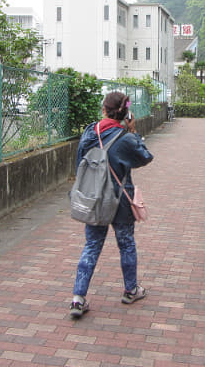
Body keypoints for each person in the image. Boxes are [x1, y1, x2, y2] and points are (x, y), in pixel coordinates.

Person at [70, 91, 154, 318]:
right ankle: (131, 289)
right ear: (126, 113)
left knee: (92, 245)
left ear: (104, 109)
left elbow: (80, 161)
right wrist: (133, 130)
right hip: (121, 200)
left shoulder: (90, 132)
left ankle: (78, 298)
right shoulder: (125, 138)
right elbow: (145, 157)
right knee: (126, 243)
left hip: (95, 198)